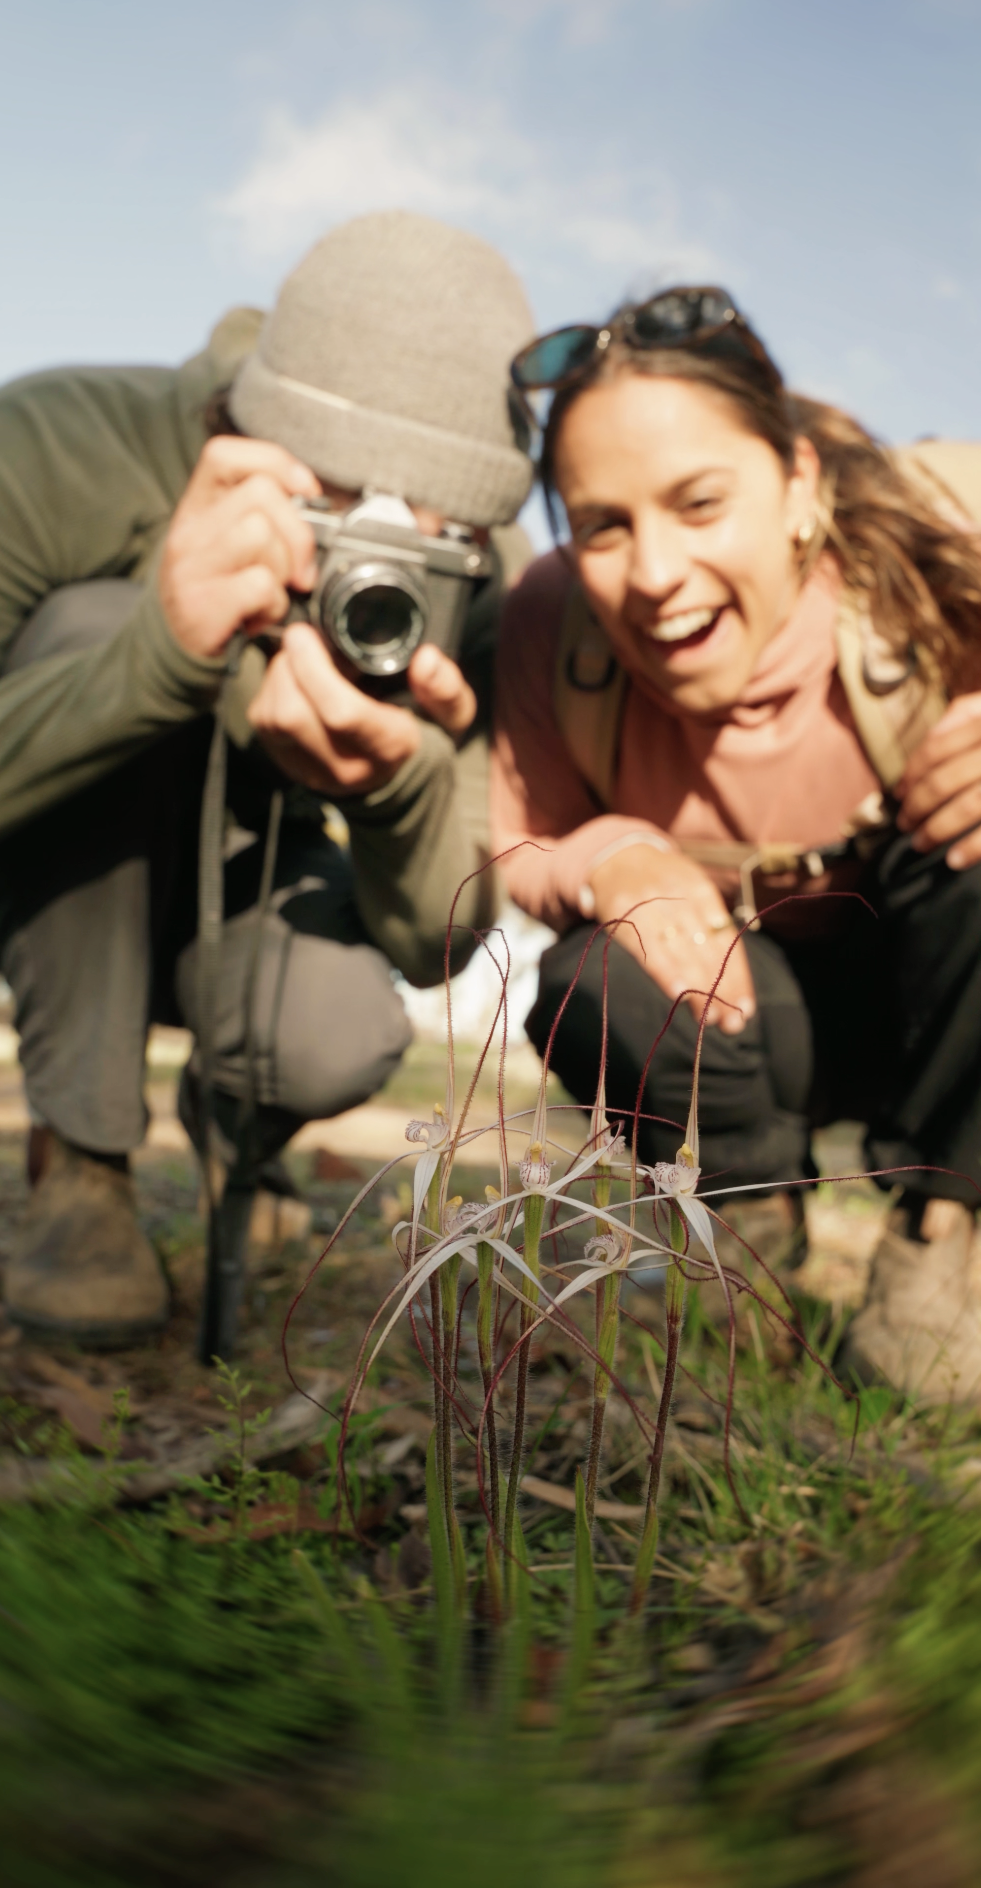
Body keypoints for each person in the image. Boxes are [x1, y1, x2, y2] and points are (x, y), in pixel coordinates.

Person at [491, 286, 981, 1405]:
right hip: (749, 1027)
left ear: (798, 485)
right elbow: (516, 841)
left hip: (929, 1009)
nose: (652, 575)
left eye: (700, 503)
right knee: (584, 975)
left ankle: (937, 1235)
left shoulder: (950, 579)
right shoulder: (550, 619)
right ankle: (745, 1228)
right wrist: (606, 852)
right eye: (602, 522)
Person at [0, 210, 535, 1348]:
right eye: (332, 503)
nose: (372, 563)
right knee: (86, 622)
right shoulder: (63, 445)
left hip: (252, 893)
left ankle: (235, 1130)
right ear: (232, 429)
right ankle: (82, 1160)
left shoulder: (493, 591)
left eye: (436, 537)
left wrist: (399, 793)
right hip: (47, 864)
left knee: (336, 1032)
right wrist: (152, 660)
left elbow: (436, 940)